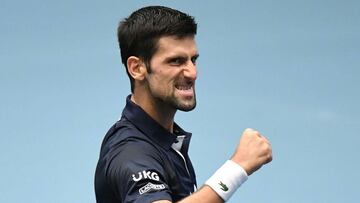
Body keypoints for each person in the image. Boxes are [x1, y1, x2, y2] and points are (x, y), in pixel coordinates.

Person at [94, 5, 272, 203]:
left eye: (193, 60)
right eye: (176, 61)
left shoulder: (165, 140)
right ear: (137, 68)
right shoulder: (131, 152)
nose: (192, 73)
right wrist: (237, 168)